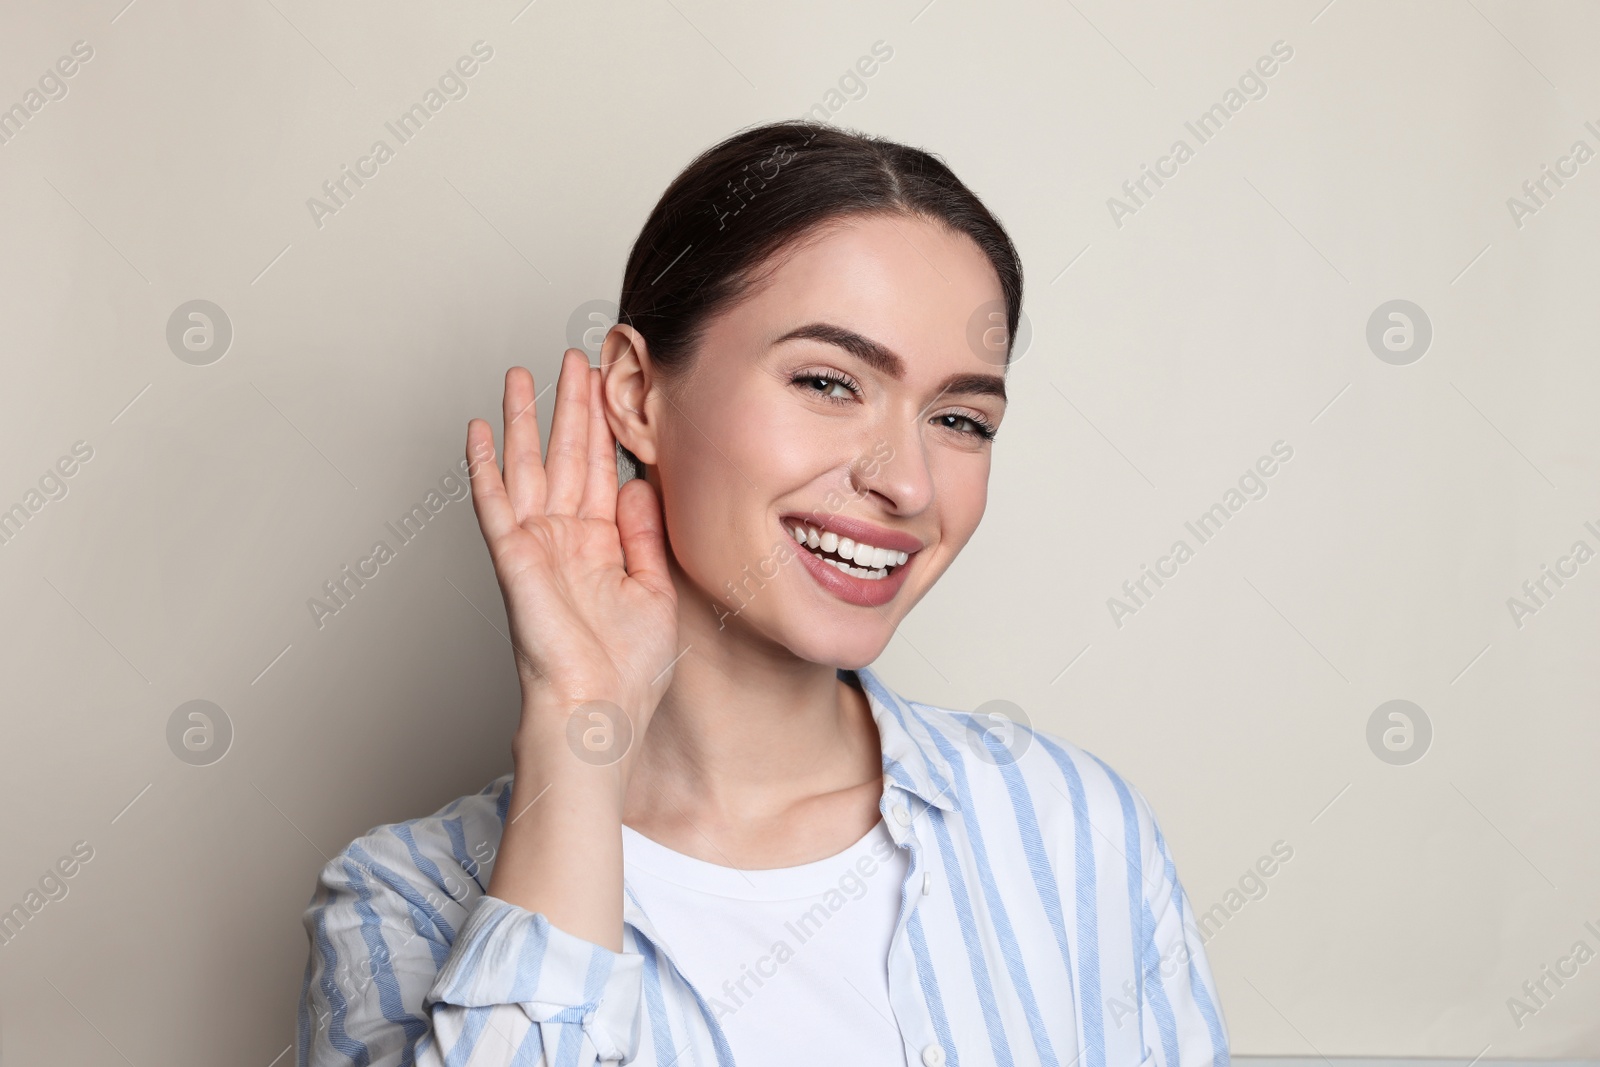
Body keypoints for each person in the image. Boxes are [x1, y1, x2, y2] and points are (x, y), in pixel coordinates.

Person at [295, 119, 1230, 1067]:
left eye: (959, 418)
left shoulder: (1070, 827)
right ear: (635, 392)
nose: (905, 481)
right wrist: (581, 729)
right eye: (829, 381)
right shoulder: (401, 901)